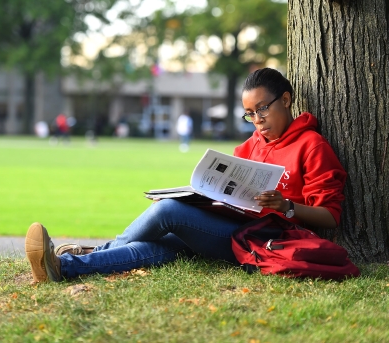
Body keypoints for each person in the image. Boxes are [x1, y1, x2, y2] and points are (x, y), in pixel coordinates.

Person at [25, 68, 347, 283]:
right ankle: (64, 268)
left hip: (263, 238)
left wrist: (286, 205)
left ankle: (94, 252)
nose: (257, 120)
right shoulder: (251, 144)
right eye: (250, 114)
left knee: (167, 212)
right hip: (226, 225)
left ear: (286, 99)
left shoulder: (311, 145)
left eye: (262, 109)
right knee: (162, 247)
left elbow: (330, 216)